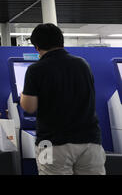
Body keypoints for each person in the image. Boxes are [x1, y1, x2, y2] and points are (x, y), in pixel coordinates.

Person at [21, 23, 106, 175]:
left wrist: (23, 94)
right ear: (61, 42)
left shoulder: (36, 69)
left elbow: (29, 107)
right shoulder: (83, 64)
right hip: (89, 142)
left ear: (37, 47)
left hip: (51, 143)